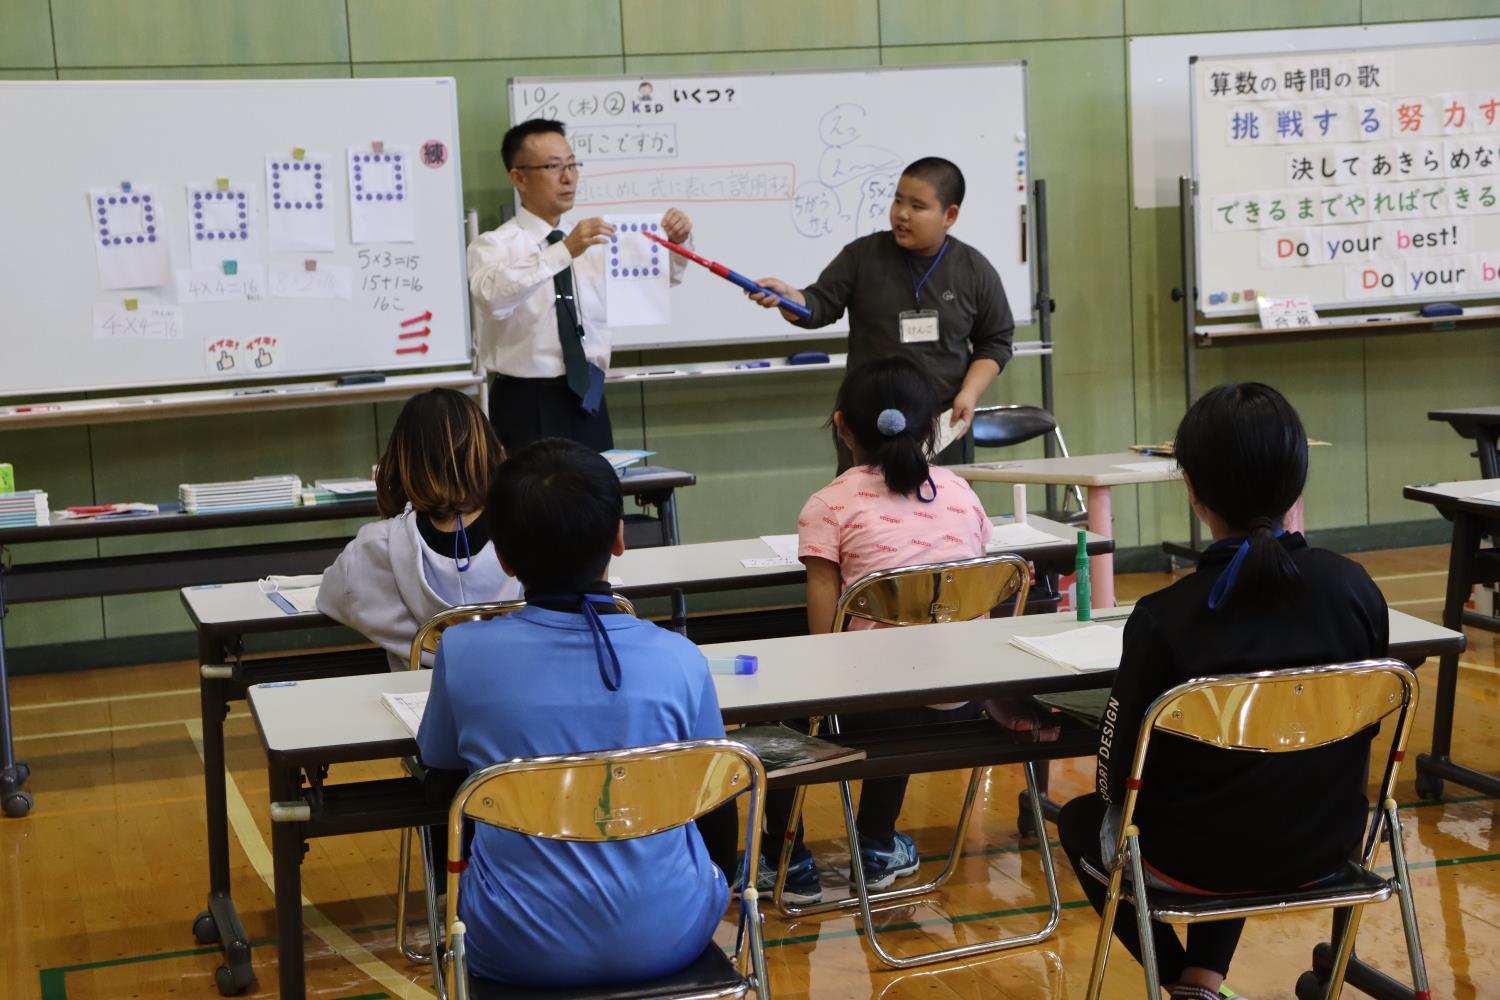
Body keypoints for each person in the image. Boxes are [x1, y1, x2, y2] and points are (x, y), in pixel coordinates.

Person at [1056, 383, 1388, 1000]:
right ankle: (1202, 981)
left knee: (1084, 821)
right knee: (1252, 781)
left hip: (1197, 862)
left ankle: (1184, 983)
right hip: (1329, 844)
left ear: (1193, 490)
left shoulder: (1163, 617)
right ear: (1299, 480)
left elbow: (1114, 781)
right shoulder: (1356, 590)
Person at [416, 438, 730, 987]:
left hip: (513, 944)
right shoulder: (680, 659)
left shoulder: (463, 654)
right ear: (619, 538)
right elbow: (716, 798)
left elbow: (439, 770)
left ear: (505, 558)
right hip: (675, 931)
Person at [745, 356, 1002, 905]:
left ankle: (786, 860)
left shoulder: (828, 506)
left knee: (778, 699)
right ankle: (879, 844)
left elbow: (824, 641)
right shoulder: (962, 493)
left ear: (842, 426)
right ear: (934, 425)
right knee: (912, 657)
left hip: (874, 704)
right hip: (968, 700)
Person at [750, 157, 1014, 468]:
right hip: (866, 425)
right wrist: (788, 298)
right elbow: (818, 306)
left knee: (941, 511)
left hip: (940, 424)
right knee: (865, 512)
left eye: (917, 206)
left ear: (950, 215)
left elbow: (995, 342)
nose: (902, 214)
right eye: (898, 200)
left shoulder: (973, 270)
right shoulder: (862, 256)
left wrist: (968, 394)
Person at [468, 118, 694, 453]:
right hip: (525, 400)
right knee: (530, 500)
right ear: (519, 178)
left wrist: (678, 243)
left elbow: (659, 280)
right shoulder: (495, 244)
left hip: (588, 394)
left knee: (596, 499)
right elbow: (493, 297)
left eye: (573, 165)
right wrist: (562, 252)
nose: (568, 177)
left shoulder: (597, 241)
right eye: (553, 166)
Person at [318, 388, 521, 671]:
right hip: (512, 694)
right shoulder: (527, 529)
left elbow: (331, 597)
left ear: (402, 461)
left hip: (417, 705)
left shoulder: (377, 545)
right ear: (489, 449)